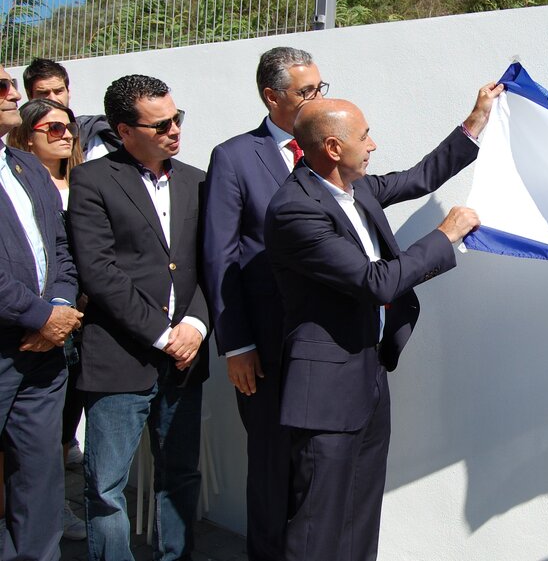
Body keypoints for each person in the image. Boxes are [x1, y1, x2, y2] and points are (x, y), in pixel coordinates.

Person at [264, 84, 503, 561]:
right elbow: (375, 282)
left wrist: (475, 120)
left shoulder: (357, 188)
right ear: (334, 147)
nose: (372, 145)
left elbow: (420, 177)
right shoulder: (295, 209)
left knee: (359, 512)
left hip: (369, 373)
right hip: (325, 390)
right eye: (365, 136)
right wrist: (444, 235)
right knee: (318, 523)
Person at [67, 74, 209, 561]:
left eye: (177, 118)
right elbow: (99, 271)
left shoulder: (197, 180)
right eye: (160, 125)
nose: (174, 131)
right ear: (124, 131)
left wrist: (195, 325)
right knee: (106, 489)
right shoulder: (92, 180)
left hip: (186, 360)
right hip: (120, 360)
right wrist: (162, 333)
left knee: (181, 476)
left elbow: (213, 263)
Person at [201, 46, 326, 560]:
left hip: (323, 345)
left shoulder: (326, 147)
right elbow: (219, 257)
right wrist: (237, 346)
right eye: (306, 92)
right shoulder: (234, 157)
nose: (319, 99)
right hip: (266, 351)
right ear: (272, 97)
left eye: (321, 87)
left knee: (315, 473)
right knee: (272, 472)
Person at [0, 63, 83, 558]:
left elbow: (61, 249)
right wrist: (40, 318)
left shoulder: (26, 166)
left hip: (43, 351)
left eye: (10, 83)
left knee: (40, 479)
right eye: (2, 86)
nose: (13, 92)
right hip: (19, 337)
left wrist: (60, 307)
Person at [22, 57, 121, 161]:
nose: (53, 99)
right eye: (43, 93)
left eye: (58, 91)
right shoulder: (21, 139)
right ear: (30, 96)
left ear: (68, 92)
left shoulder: (90, 131)